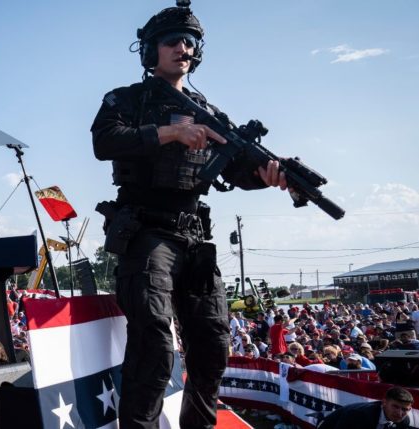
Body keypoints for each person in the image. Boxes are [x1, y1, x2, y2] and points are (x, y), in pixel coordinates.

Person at [90, 4, 290, 427]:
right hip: (147, 233)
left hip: (195, 236)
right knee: (155, 348)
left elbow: (236, 168)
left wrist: (269, 176)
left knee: (212, 346)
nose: (183, 48)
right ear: (150, 51)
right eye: (172, 41)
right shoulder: (126, 99)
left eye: (190, 42)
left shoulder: (209, 110)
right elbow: (105, 140)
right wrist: (171, 132)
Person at [318, 386, 415, 429]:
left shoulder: (403, 421)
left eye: (404, 409)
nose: (399, 413)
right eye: (395, 407)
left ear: (410, 409)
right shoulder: (358, 415)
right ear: (384, 402)